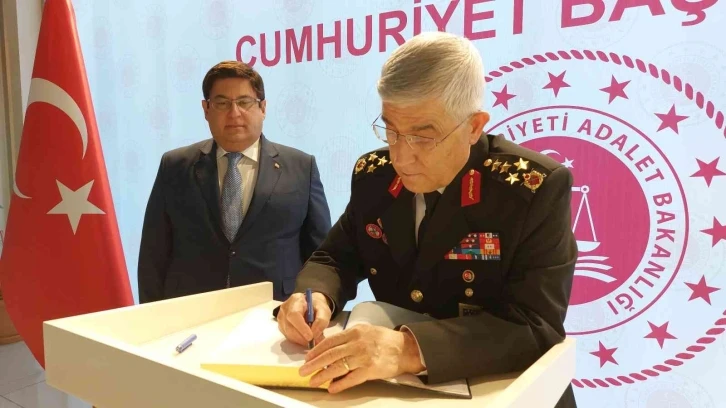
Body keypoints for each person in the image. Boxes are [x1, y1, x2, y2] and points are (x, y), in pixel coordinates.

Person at [275, 32, 578, 407]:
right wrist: (313, 297)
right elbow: (336, 257)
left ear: (473, 126)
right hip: (396, 393)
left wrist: (408, 349)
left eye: (422, 137)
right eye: (391, 130)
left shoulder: (530, 188)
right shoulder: (375, 176)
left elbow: (536, 325)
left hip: (504, 392)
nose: (400, 157)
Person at [138, 61, 331, 303]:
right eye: (222, 103)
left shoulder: (301, 167)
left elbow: (321, 256)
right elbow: (153, 255)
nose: (234, 113)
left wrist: (314, 307)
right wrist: (152, 317)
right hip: (193, 310)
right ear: (206, 109)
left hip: (274, 310)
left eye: (244, 102)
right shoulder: (175, 166)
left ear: (263, 108)